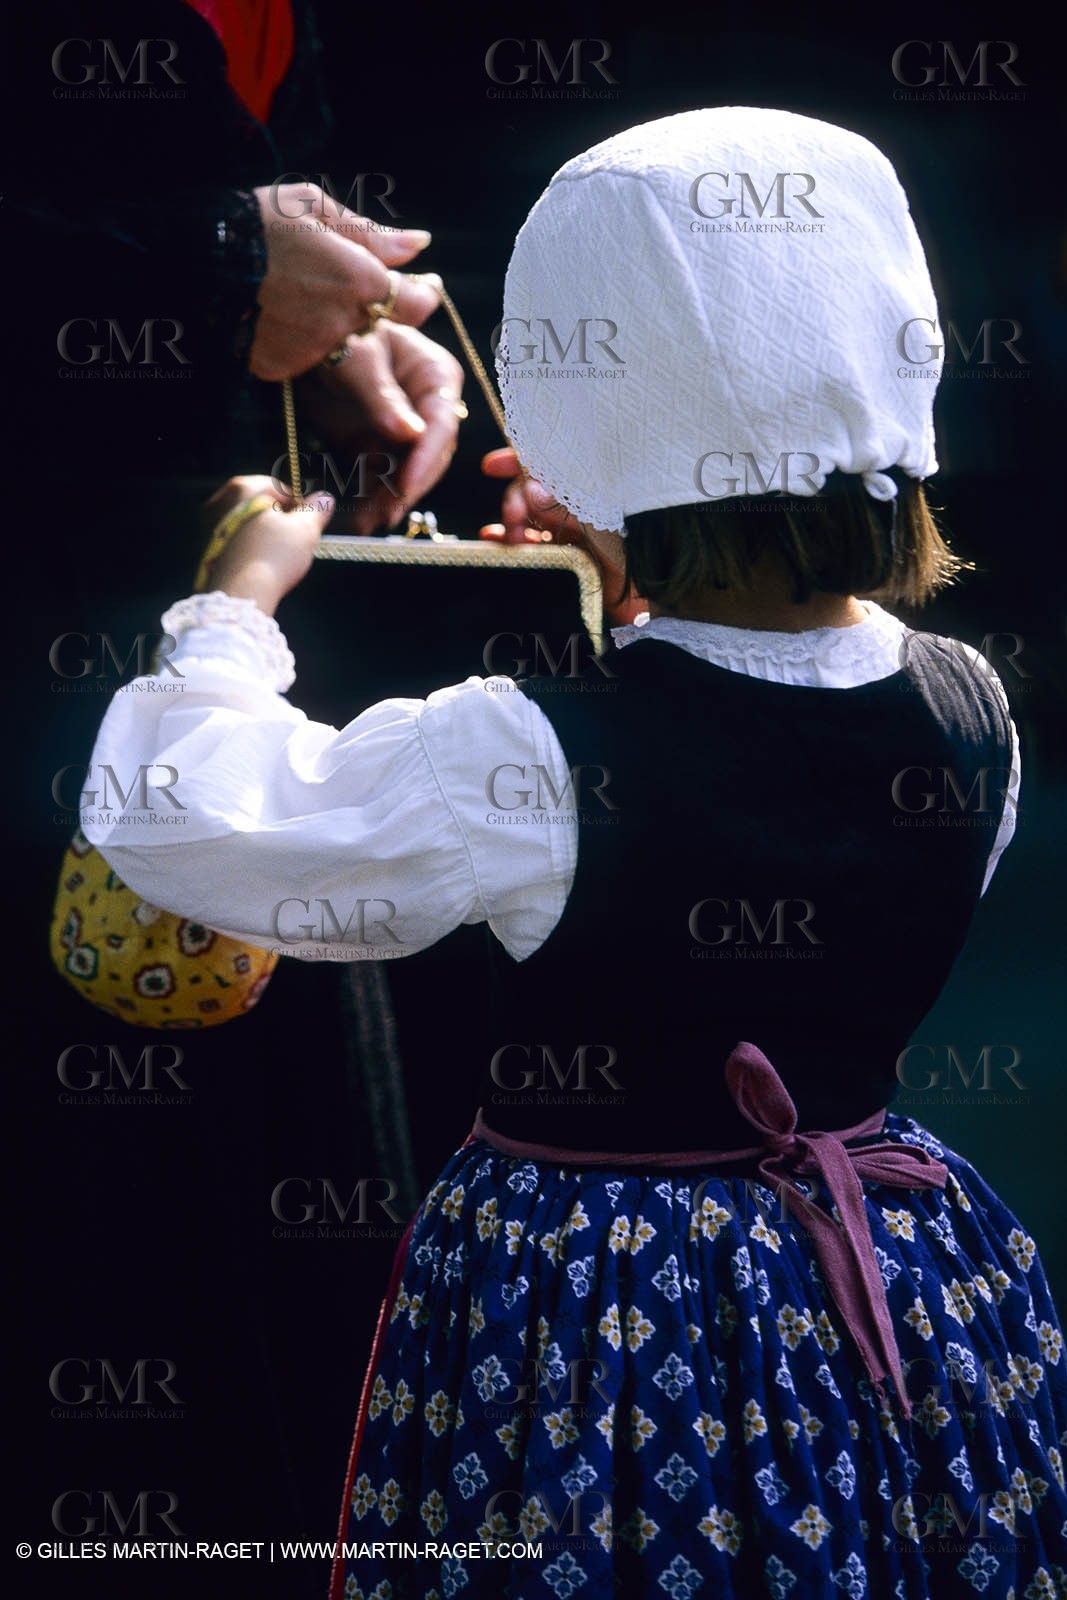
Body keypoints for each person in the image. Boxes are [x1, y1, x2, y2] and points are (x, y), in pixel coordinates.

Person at [80, 108, 1066, 1599]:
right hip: (900, 1266)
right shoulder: (970, 705)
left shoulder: (523, 752)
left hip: (598, 1308)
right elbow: (766, 745)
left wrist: (235, 614)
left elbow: (195, 825)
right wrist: (649, 590)